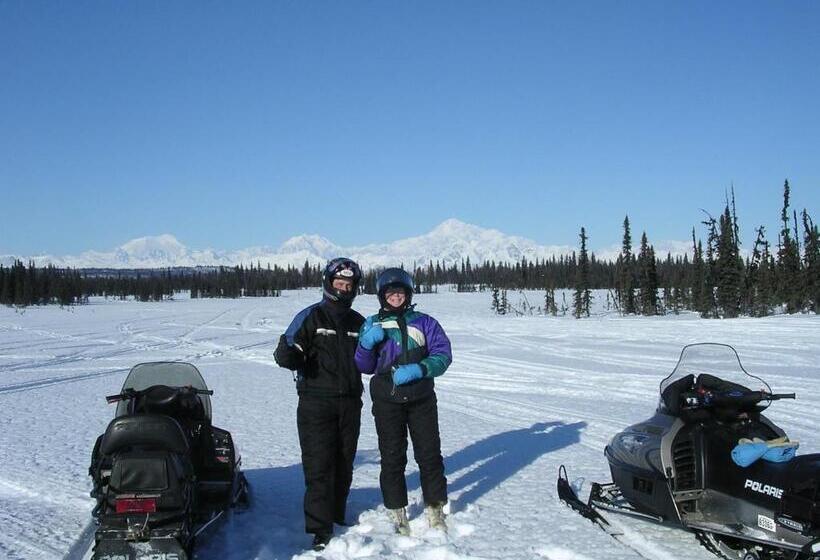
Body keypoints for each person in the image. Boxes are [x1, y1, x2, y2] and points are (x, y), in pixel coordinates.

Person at [273, 257, 365, 551]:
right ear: (329, 283)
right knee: (319, 464)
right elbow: (289, 350)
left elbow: (373, 357)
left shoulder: (359, 322)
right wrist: (290, 354)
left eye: (349, 284)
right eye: (339, 283)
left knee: (344, 461)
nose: (344, 288)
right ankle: (320, 528)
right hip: (315, 401)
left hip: (350, 401)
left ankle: (337, 513)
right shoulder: (311, 316)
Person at [354, 268, 452, 535]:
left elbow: (443, 355)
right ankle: (397, 511)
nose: (395, 297)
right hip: (388, 400)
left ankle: (435, 507)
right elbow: (364, 365)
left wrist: (420, 369)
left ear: (408, 294)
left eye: (400, 292)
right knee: (393, 457)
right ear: (382, 296)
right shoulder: (373, 324)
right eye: (390, 293)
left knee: (429, 455)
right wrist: (365, 346)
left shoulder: (425, 323)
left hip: (421, 398)